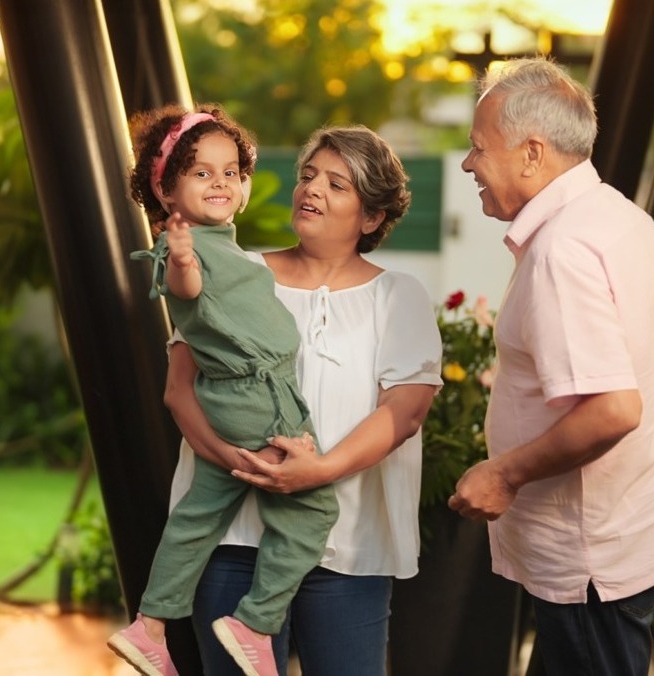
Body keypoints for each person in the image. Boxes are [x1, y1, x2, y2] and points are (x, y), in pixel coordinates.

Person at [162, 124, 443, 675]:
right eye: (309, 176)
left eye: (337, 185)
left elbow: (404, 412)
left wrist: (317, 471)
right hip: (233, 540)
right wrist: (238, 464)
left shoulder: (398, 295)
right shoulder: (232, 271)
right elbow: (179, 390)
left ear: (371, 217)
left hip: (349, 550)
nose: (311, 190)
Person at [447, 57, 654, 676]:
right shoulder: (622, 217)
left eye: (479, 148)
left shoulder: (562, 249)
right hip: (626, 531)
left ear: (531, 154)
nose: (467, 164)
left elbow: (614, 409)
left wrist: (504, 475)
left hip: (592, 557)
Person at [108, 103, 337, 676]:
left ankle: (151, 625)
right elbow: (186, 288)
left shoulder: (224, 243)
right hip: (258, 400)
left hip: (229, 401)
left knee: (196, 518)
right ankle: (256, 623)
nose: (220, 182)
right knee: (311, 510)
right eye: (200, 172)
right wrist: (181, 258)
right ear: (165, 190)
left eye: (230, 171)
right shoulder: (189, 248)